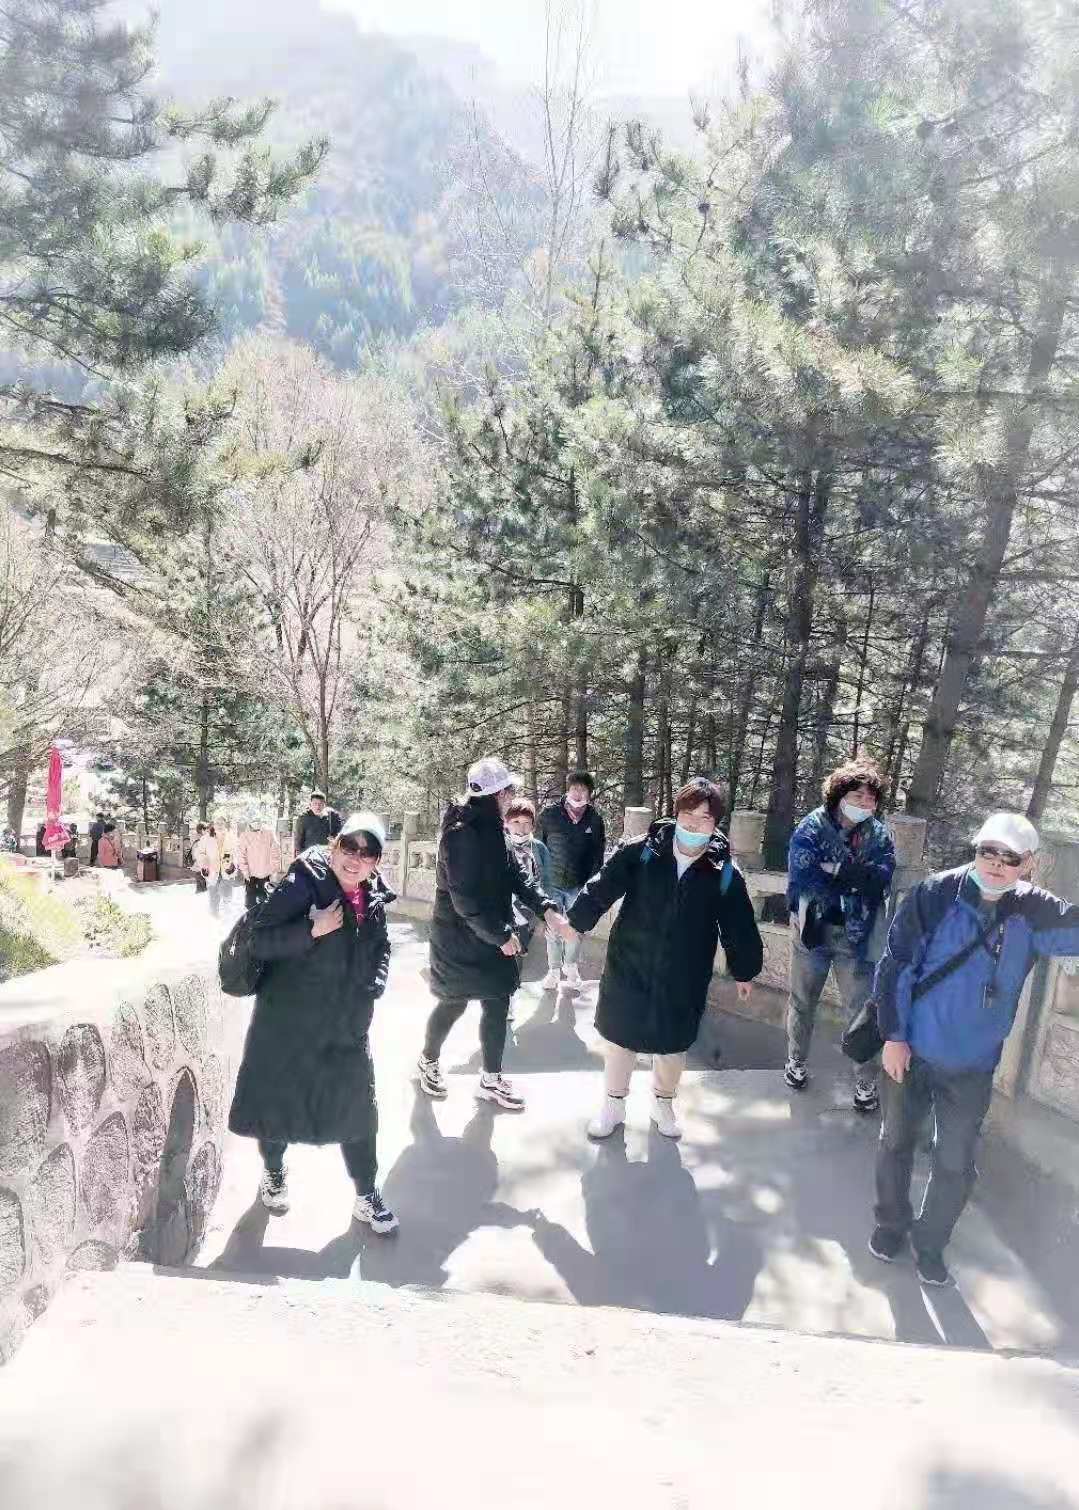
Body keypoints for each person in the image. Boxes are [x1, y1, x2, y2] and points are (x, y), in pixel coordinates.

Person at [868, 812, 1079, 1288]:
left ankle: (930, 1244)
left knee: (955, 1162)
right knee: (895, 1142)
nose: (997, 864)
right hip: (912, 1050)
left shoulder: (1035, 910)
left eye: (1010, 857)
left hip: (974, 1064)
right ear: (976, 850)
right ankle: (891, 1223)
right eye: (989, 851)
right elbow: (896, 966)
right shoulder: (935, 895)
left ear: (1030, 863)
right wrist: (894, 1038)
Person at [566, 777, 764, 1141]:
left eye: (704, 818)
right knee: (620, 1036)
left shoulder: (723, 871)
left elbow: (739, 924)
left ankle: (663, 1104)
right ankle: (613, 1104)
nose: (694, 824)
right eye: (688, 814)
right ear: (676, 813)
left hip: (685, 971)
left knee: (673, 1043)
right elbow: (603, 885)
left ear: (715, 823)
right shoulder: (644, 851)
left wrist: (744, 971)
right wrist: (575, 922)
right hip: (630, 961)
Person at [228, 813, 398, 1234]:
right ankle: (273, 1173)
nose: (355, 859)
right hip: (289, 1021)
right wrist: (311, 928)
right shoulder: (303, 882)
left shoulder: (373, 894)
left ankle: (366, 1193)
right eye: (349, 847)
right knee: (277, 1106)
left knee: (358, 1110)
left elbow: (381, 945)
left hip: (346, 1023)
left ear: (376, 861)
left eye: (367, 853)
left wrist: (375, 983)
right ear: (335, 845)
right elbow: (258, 939)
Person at [417, 755, 573, 1111]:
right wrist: (501, 936)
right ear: (498, 794)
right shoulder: (460, 834)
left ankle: (491, 1079)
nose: (511, 796)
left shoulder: (493, 829)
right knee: (453, 1003)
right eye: (509, 791)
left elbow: (517, 876)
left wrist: (546, 908)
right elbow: (464, 901)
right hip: (459, 939)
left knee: (497, 1002)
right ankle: (428, 1059)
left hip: (491, 935)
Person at [785, 758, 896, 1112]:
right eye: (857, 796)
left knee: (861, 1009)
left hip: (856, 936)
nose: (864, 803)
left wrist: (837, 870)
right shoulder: (812, 827)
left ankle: (865, 1082)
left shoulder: (879, 835)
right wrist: (854, 875)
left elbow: (882, 879)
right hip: (812, 930)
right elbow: (804, 875)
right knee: (803, 1001)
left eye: (871, 798)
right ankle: (795, 1061)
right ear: (839, 795)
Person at [537, 771, 606, 991]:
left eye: (583, 790)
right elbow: (538, 847)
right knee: (554, 927)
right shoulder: (549, 814)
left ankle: (571, 967)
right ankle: (553, 971)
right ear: (568, 790)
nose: (578, 793)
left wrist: (591, 884)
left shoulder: (594, 819)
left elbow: (598, 855)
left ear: (589, 794)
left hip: (579, 883)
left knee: (575, 926)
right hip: (552, 882)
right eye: (574, 788)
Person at [504, 797, 553, 953]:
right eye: (516, 822)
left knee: (522, 953)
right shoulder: (500, 845)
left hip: (530, 915)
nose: (521, 827)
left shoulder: (539, 848)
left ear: (532, 825)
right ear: (506, 823)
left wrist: (544, 918)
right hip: (505, 915)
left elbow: (547, 884)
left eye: (526, 822)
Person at [234, 817, 282, 912]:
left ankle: (262, 916)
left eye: (258, 821)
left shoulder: (269, 833)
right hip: (250, 874)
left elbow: (275, 852)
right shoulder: (244, 836)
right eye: (254, 821)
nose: (257, 824)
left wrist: (274, 870)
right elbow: (241, 855)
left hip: (265, 873)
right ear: (250, 823)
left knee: (264, 897)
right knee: (250, 900)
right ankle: (251, 916)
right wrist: (245, 871)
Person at [192, 822, 226, 915]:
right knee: (207, 891)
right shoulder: (202, 840)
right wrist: (204, 864)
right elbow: (198, 855)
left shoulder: (203, 839)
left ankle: (210, 910)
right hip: (204, 870)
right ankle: (207, 911)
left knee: (209, 891)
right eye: (206, 829)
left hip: (208, 871)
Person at [294, 789, 342, 854]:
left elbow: (339, 834)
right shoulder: (303, 818)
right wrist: (300, 855)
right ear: (310, 804)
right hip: (309, 854)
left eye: (320, 804)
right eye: (315, 804)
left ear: (324, 804)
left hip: (327, 854)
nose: (317, 807)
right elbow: (298, 840)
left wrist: (334, 840)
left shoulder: (332, 817)